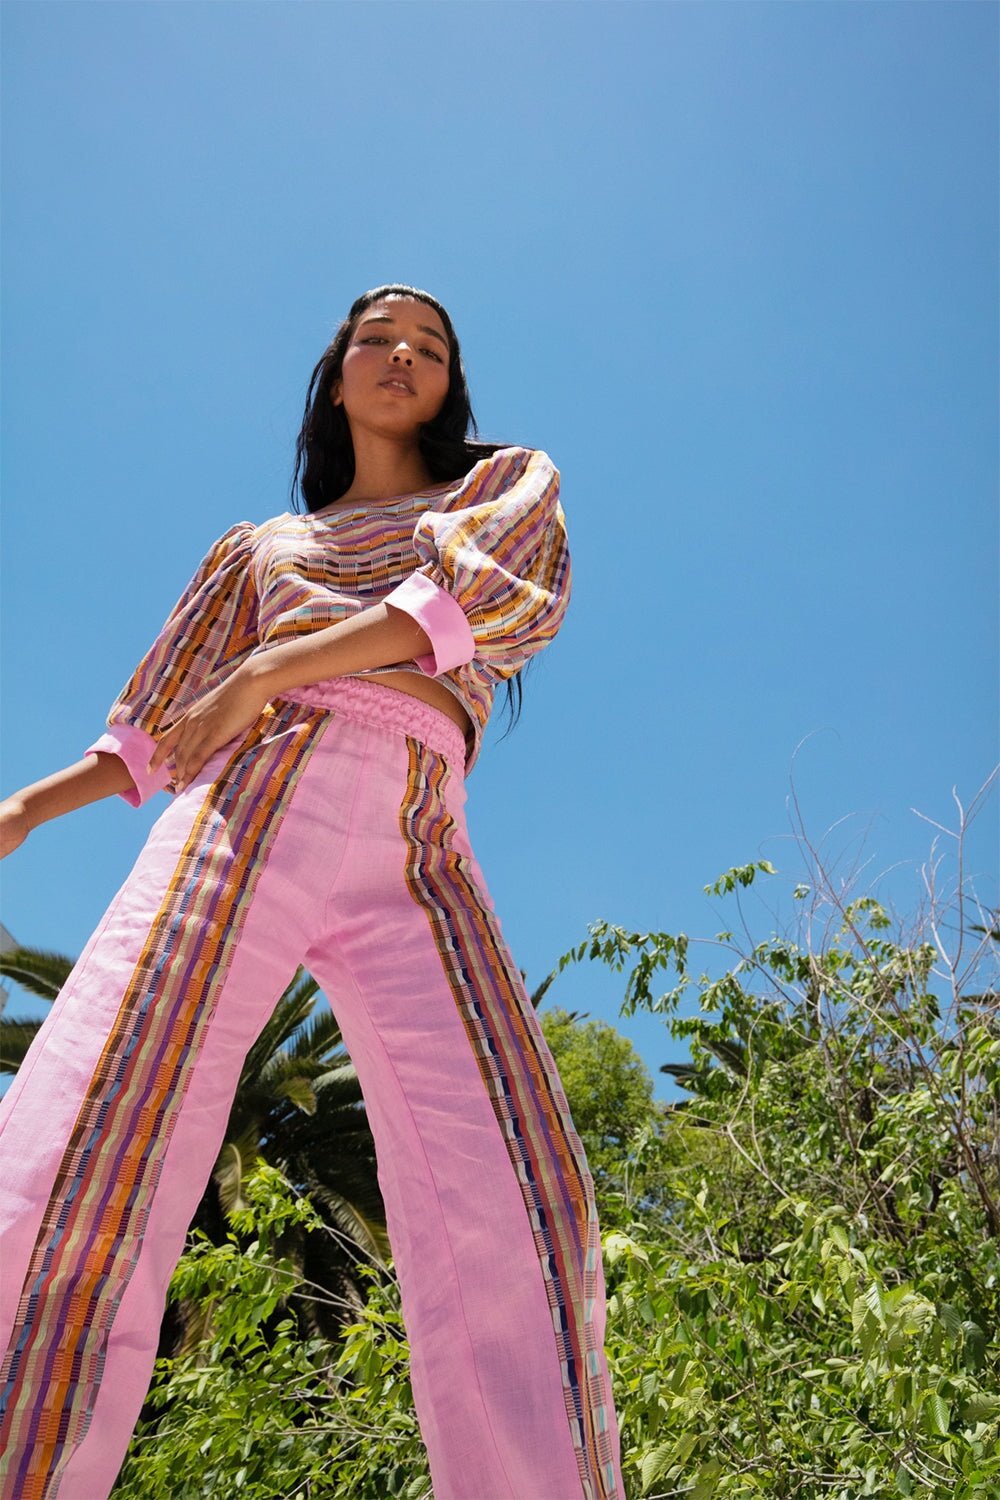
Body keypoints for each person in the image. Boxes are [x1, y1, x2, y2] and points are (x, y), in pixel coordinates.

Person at [0, 286, 624, 1500]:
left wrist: (275, 663)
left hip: (420, 835)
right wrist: (24, 809)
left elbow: (494, 604)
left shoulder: (500, 489)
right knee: (99, 1105)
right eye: (375, 339)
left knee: (514, 1179)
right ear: (336, 378)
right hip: (251, 804)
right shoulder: (260, 549)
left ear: (449, 386)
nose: (401, 354)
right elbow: (157, 730)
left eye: (428, 346)